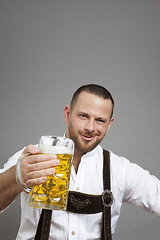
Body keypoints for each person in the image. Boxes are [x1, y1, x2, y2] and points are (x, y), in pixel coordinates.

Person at [0, 84, 160, 240]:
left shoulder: (120, 170)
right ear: (67, 114)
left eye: (100, 120)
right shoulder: (32, 157)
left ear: (109, 124)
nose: (90, 127)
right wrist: (17, 176)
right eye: (83, 116)